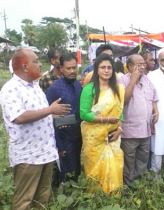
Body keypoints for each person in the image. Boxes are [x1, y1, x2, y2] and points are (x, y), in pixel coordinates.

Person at [0, 49, 70, 209]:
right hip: (28, 155)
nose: (40, 64)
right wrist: (50, 110)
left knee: (42, 198)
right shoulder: (11, 89)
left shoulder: (35, 87)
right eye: (36, 61)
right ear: (25, 66)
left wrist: (54, 115)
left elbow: (39, 114)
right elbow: (19, 117)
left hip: (45, 152)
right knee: (24, 200)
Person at [80, 53, 125, 193]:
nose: (106, 70)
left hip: (113, 137)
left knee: (114, 166)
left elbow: (120, 113)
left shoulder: (118, 89)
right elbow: (84, 114)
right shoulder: (90, 88)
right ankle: (95, 198)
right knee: (95, 170)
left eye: (109, 68)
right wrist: (106, 119)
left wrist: (119, 130)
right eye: (102, 67)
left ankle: (114, 197)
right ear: (97, 70)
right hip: (94, 139)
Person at [118, 54, 159, 185]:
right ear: (129, 66)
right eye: (138, 65)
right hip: (129, 131)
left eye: (143, 64)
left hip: (145, 130)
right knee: (129, 163)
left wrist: (156, 111)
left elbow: (153, 98)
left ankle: (140, 187)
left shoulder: (147, 80)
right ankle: (128, 189)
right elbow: (124, 100)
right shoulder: (122, 81)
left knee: (142, 161)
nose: (142, 67)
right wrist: (133, 80)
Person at [46, 53, 82, 191]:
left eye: (74, 67)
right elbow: (50, 118)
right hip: (64, 137)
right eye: (68, 68)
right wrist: (59, 146)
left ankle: (75, 194)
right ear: (61, 68)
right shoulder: (54, 89)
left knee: (77, 167)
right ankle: (65, 199)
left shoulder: (78, 84)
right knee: (67, 171)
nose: (72, 71)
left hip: (78, 135)